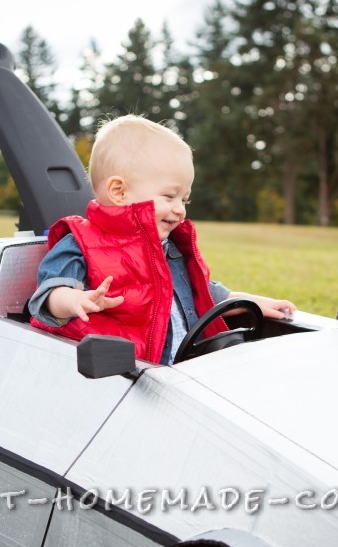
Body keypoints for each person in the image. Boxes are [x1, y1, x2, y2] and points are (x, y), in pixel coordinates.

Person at [28, 115, 295, 364]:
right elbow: (49, 296)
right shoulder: (80, 243)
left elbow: (198, 290)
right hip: (122, 377)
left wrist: (246, 301)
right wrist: (76, 301)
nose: (180, 209)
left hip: (181, 368)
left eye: (184, 199)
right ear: (119, 191)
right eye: (170, 197)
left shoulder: (169, 247)